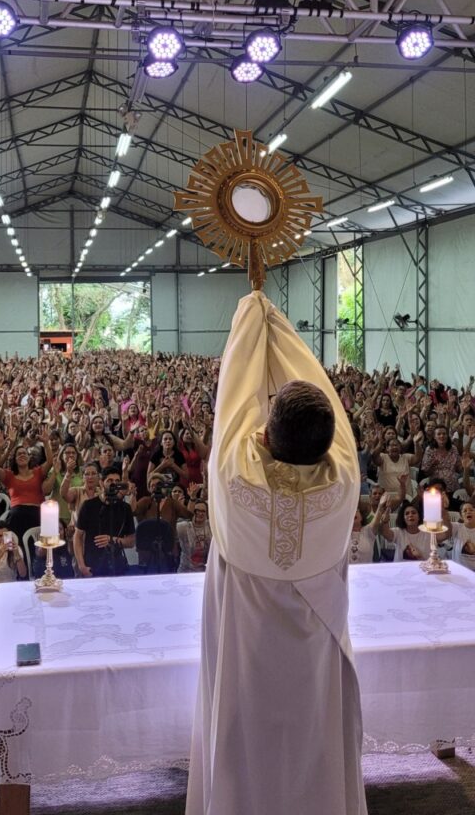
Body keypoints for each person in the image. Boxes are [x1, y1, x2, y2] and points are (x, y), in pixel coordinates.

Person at [186, 292, 366, 815]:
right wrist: (277, 323)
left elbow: (234, 396)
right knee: (312, 747)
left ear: (264, 433)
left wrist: (254, 314)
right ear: (331, 443)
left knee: (246, 753)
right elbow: (324, 397)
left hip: (244, 661)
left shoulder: (232, 476)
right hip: (312, 663)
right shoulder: (345, 483)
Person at [73, 469, 135, 577]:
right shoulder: (88, 506)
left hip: (116, 565)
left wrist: (113, 540)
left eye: (117, 481)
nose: (114, 484)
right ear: (102, 483)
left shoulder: (125, 508)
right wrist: (81, 565)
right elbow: (78, 536)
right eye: (110, 480)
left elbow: (131, 541)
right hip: (92, 565)